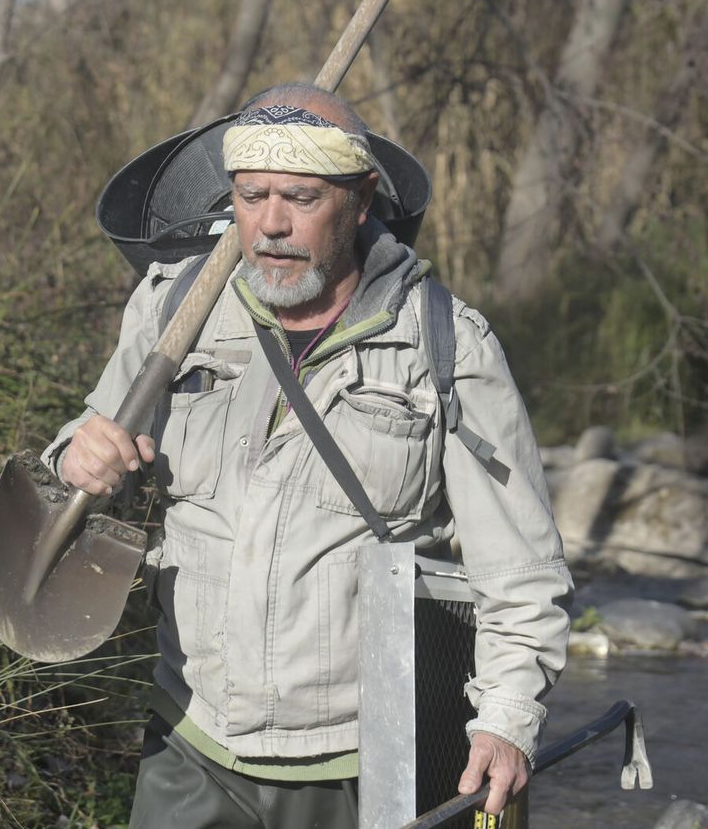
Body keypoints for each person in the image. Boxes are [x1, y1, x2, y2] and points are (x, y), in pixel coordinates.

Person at [44, 83, 570, 828]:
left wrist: (506, 716)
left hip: (357, 762)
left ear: (360, 201)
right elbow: (94, 471)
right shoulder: (174, 309)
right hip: (188, 735)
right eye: (252, 194)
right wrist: (75, 458)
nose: (271, 223)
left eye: (301, 196)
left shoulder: (446, 346)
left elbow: (520, 571)